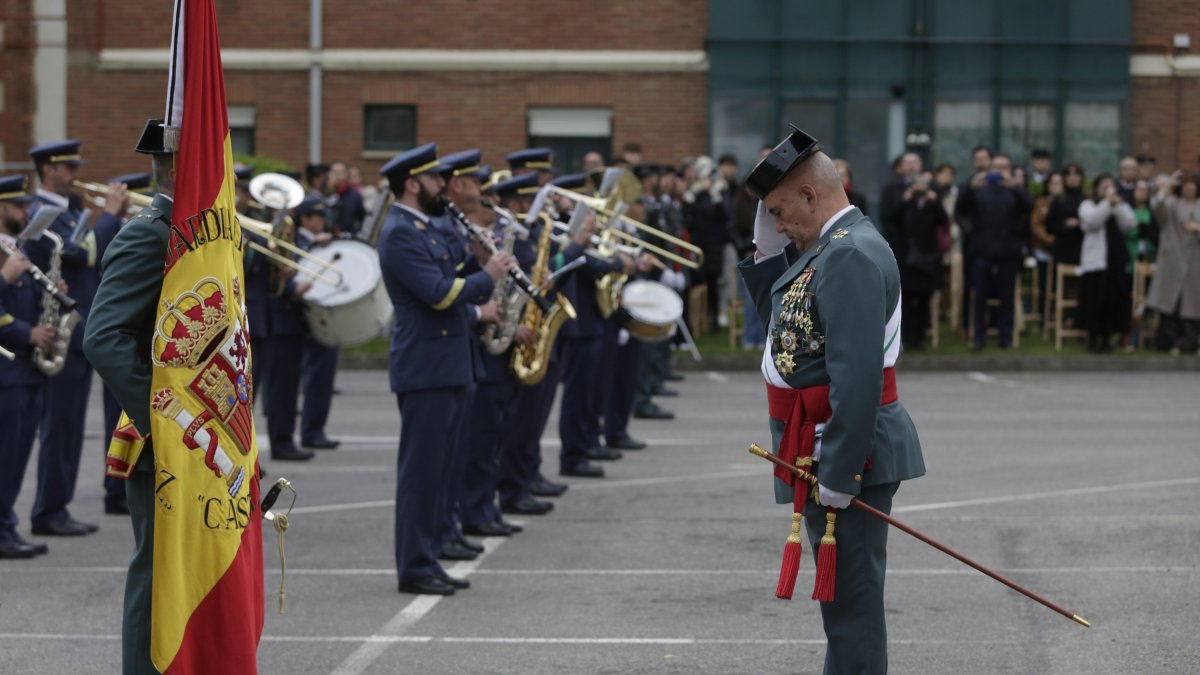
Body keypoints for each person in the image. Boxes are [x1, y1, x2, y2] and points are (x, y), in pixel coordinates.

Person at [738, 127, 924, 674]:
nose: (777, 222)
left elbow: (857, 376)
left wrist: (840, 471)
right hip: (825, 447)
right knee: (843, 607)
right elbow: (787, 326)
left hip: (847, 453)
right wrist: (768, 250)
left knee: (853, 607)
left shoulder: (848, 255)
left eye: (778, 210)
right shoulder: (834, 246)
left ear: (810, 196)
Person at [376, 142, 514, 596]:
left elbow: (457, 278)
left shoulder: (428, 228)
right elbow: (439, 293)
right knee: (422, 473)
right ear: (414, 184)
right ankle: (414, 565)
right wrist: (488, 274)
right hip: (427, 365)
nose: (445, 186)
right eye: (437, 180)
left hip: (451, 361)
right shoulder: (399, 231)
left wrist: (474, 253)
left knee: (441, 472)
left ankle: (430, 556)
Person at [81, 118, 179, 674]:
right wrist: (163, 417)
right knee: (157, 567)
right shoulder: (148, 232)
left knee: (189, 563)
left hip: (200, 429)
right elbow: (104, 338)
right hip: (166, 431)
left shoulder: (189, 230)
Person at [24, 139, 120, 536]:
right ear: (48, 170)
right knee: (60, 424)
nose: (76, 176)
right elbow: (86, 253)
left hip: (80, 331)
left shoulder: (69, 212)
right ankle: (49, 509)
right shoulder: (43, 215)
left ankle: (57, 506)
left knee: (71, 424)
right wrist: (111, 213)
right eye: (68, 169)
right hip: (63, 331)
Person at [0, 175, 53, 558]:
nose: (25, 212)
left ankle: (7, 526)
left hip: (27, 371)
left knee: (17, 457)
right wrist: (26, 332)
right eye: (18, 205)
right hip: (7, 372)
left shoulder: (15, 248)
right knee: (5, 457)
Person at [955, 153, 1031, 350]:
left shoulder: (1014, 190)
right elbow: (960, 210)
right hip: (982, 249)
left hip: (1008, 250)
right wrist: (971, 189)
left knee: (1007, 295)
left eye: (1004, 167)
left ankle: (1005, 336)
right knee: (980, 296)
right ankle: (978, 337)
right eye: (995, 167)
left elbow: (1028, 209)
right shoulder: (979, 189)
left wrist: (1015, 186)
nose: (999, 171)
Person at [296, 197, 341, 450]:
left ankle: (315, 429)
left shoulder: (319, 241)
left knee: (323, 376)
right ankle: (309, 431)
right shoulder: (299, 240)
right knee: (311, 377)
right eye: (317, 217)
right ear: (306, 219)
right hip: (300, 316)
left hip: (322, 313)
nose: (322, 221)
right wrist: (313, 244)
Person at [1077, 173, 1136, 353]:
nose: (1108, 189)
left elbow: (1129, 224)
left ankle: (1109, 337)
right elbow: (1093, 221)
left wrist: (1116, 205)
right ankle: (1093, 337)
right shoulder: (1088, 205)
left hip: (1115, 260)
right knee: (1095, 301)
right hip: (1096, 261)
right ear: (1096, 188)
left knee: (1113, 300)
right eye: (1104, 185)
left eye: (1111, 185)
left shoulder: (1119, 205)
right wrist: (1107, 203)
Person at [890, 171, 948, 350]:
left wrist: (935, 201)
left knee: (924, 299)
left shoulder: (931, 205)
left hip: (927, 259)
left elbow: (943, 220)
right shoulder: (907, 204)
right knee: (907, 299)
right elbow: (892, 219)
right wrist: (905, 199)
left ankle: (921, 337)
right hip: (907, 258)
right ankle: (907, 336)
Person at [1147, 171, 1200, 354]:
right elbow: (1157, 207)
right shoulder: (1172, 205)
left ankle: (1190, 342)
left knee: (1193, 304)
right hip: (1172, 260)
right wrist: (1168, 185)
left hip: (1195, 262)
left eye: (1193, 184)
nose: (1190, 187)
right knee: (1170, 302)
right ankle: (1167, 341)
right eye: (1185, 184)